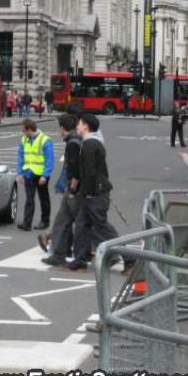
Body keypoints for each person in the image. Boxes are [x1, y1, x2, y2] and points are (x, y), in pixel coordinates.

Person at [68, 114, 119, 271]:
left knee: (102, 227)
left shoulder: (90, 145)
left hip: (95, 194)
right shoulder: (90, 143)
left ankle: (129, 258)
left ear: (86, 126)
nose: (77, 125)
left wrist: (88, 192)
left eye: (80, 123)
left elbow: (90, 172)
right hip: (91, 193)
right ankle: (80, 259)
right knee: (81, 226)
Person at [41, 114, 82, 266]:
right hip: (72, 188)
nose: (58, 130)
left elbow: (75, 169)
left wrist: (72, 190)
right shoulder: (75, 140)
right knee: (62, 221)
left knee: (88, 224)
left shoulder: (73, 143)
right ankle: (59, 254)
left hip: (74, 189)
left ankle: (119, 254)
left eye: (59, 127)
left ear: (63, 127)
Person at [16, 119, 54, 231]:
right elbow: (20, 157)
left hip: (41, 174)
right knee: (29, 199)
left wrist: (45, 175)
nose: (22, 133)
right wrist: (20, 172)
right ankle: (27, 223)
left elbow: (49, 160)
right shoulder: (24, 140)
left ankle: (45, 221)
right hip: (28, 173)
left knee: (44, 198)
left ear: (29, 129)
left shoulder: (45, 140)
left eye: (23, 130)